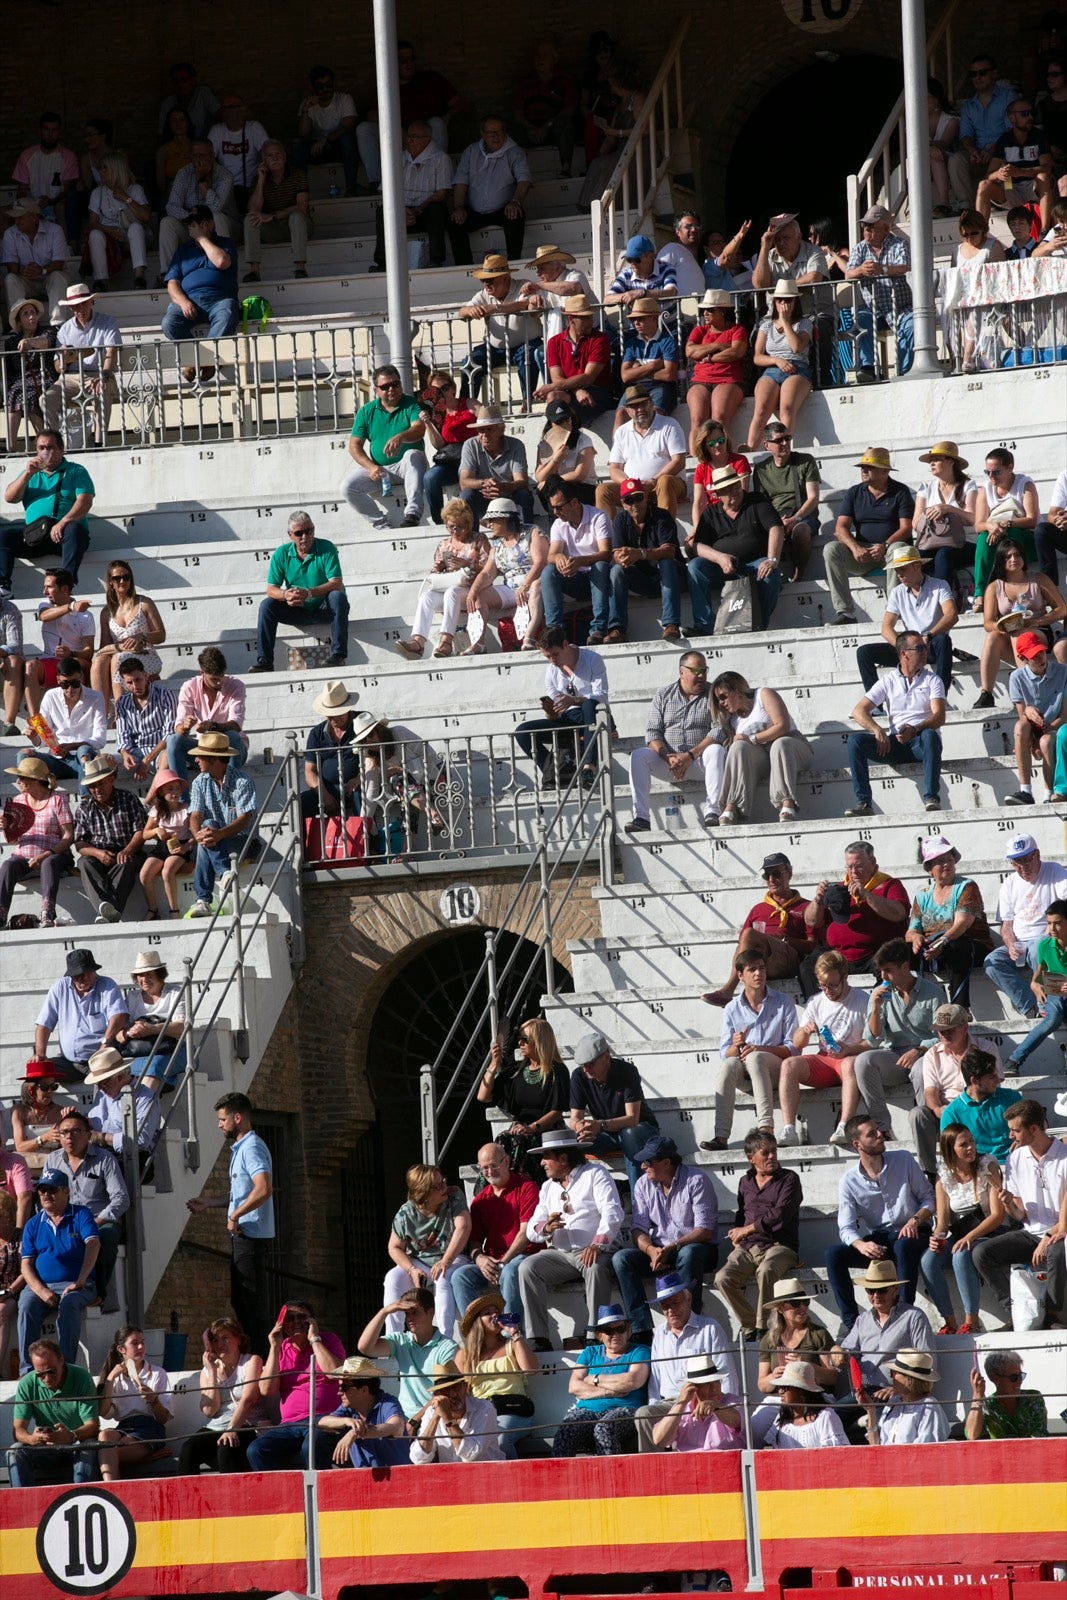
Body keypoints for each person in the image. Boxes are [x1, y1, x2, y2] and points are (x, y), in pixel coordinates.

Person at [518, 1128, 624, 1351]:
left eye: (547, 1157)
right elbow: (532, 1230)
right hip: (561, 1255)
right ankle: (538, 1337)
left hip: (595, 1250)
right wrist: (547, 1227)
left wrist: (597, 1244)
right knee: (527, 1267)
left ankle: (595, 1332)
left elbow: (612, 1212)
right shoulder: (547, 1187)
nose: (542, 1163)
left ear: (563, 1158)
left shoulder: (595, 1174)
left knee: (594, 1266)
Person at [186, 1093, 274, 1356]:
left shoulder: (252, 1147)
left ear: (238, 1118)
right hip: (243, 1237)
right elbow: (242, 1193)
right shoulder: (241, 1148)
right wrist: (210, 1202)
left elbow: (263, 1188)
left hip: (251, 1237)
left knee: (251, 1305)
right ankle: (254, 1357)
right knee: (241, 1302)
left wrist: (235, 1216)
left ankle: (262, 1360)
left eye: (222, 1119)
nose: (219, 1124)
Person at [826, 1117, 934, 1328]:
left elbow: (929, 1198)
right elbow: (846, 1227)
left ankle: (902, 1316)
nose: (879, 1135)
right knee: (833, 1254)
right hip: (881, 1239)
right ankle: (852, 1323)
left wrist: (915, 1219)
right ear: (857, 1144)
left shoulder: (903, 1159)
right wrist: (862, 1245)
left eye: (878, 1130)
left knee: (903, 1244)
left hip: (915, 1231)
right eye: (871, 1134)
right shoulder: (849, 1181)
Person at [971, 1099, 1067, 1326]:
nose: (1010, 1136)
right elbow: (1020, 1215)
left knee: (1056, 1251)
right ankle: (1014, 1311)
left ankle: (1052, 1314)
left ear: (1034, 1129)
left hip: (1061, 1233)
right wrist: (1008, 1204)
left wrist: (1047, 1238)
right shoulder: (1015, 1158)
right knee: (982, 1253)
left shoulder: (1065, 1156)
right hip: (1031, 1232)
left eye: (1015, 1130)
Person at [611, 1135, 717, 1333]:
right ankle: (641, 1329)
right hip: (660, 1251)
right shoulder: (643, 1184)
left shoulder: (696, 1180)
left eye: (648, 1162)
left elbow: (705, 1231)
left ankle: (688, 1321)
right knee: (621, 1259)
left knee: (689, 1254)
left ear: (667, 1162)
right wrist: (651, 1250)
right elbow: (638, 1229)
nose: (642, 1166)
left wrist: (672, 1247)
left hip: (695, 1249)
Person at [845, 631, 946, 816]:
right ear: (904, 653)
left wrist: (915, 729)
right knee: (855, 741)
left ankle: (932, 797)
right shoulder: (888, 681)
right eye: (920, 648)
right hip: (896, 742)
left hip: (920, 743)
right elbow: (858, 711)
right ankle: (864, 803)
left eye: (925, 647)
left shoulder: (933, 679)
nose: (926, 651)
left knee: (930, 735)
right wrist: (876, 730)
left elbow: (940, 717)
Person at [634, 1273, 737, 1452]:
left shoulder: (710, 1328)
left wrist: (725, 1404)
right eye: (665, 1305)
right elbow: (655, 1379)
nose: (671, 1310)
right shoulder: (659, 1333)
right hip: (670, 1403)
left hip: (701, 1398)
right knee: (644, 1414)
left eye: (675, 1302)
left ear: (688, 1299)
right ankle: (655, 1472)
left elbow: (725, 1371)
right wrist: (655, 1404)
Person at [853, 939, 942, 1146]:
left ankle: (929, 1128)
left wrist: (919, 1050)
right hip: (894, 1055)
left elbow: (942, 1034)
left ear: (905, 966)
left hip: (925, 1053)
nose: (883, 976)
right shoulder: (880, 994)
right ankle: (882, 1127)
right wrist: (875, 1007)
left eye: (888, 970)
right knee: (863, 1061)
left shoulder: (933, 992)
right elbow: (873, 1037)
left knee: (922, 1070)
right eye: (881, 970)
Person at [713, 1130, 801, 1339]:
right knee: (722, 1278)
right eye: (765, 1153)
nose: (772, 1156)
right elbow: (742, 1213)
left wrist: (747, 1229)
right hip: (748, 1246)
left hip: (781, 1245)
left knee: (766, 1270)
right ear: (751, 1158)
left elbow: (780, 1215)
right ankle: (750, 1326)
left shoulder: (789, 1179)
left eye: (774, 1151)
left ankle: (765, 1328)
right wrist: (738, 1234)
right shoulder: (745, 1182)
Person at [920, 1123, 1006, 1335]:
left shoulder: (988, 1166)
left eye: (972, 1142)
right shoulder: (944, 1176)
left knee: (960, 1254)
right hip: (961, 1232)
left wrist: (969, 1237)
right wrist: (936, 1237)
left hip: (990, 1231)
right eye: (963, 1144)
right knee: (928, 1260)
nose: (971, 1148)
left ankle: (971, 1320)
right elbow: (942, 1220)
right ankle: (949, 1321)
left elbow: (997, 1215)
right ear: (951, 1150)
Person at [626, 652, 725, 833]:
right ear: (682, 672)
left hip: (699, 761)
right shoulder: (663, 695)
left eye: (704, 670)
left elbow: (718, 730)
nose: (701, 675)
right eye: (696, 670)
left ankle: (713, 811)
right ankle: (641, 817)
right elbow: (652, 732)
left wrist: (689, 756)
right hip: (668, 763)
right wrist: (668, 757)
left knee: (717, 750)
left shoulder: (713, 694)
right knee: (638, 755)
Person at [778, 951, 868, 1148]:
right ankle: (789, 1128)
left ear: (845, 977)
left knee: (851, 1064)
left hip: (850, 1059)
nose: (828, 990)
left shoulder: (862, 1000)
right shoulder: (816, 1001)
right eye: (823, 985)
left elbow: (874, 1041)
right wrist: (805, 1031)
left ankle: (844, 1125)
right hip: (825, 1060)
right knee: (789, 1064)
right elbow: (797, 1043)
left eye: (833, 985)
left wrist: (850, 1049)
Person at [709, 952, 797, 1150]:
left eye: (762, 968)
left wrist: (760, 1049)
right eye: (752, 969)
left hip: (777, 1072)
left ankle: (766, 1128)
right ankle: (721, 1136)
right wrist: (736, 1044)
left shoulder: (784, 1002)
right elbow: (725, 1053)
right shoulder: (732, 1008)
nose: (759, 973)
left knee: (755, 1057)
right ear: (740, 975)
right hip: (746, 1074)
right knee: (729, 1064)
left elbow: (793, 1049)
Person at [703, 854, 816, 1007]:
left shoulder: (806, 907)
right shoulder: (758, 909)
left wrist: (784, 939)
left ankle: (729, 990)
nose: (771, 879)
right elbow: (743, 944)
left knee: (749, 934)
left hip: (789, 960)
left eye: (776, 874)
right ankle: (747, 993)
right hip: (762, 961)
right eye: (766, 875)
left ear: (789, 873)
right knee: (745, 941)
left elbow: (813, 946)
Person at [246, 1302, 346, 1471]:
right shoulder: (282, 1348)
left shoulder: (328, 1340)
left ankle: (317, 1495)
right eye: (290, 1318)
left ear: (312, 1320)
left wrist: (314, 1340)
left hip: (325, 1419)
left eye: (302, 1317)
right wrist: (275, 1346)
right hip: (290, 1424)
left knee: (310, 1447)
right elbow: (266, 1390)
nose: (296, 1321)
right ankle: (280, 1496)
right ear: (282, 1325)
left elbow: (335, 1373)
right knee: (256, 1450)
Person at [687, 467, 785, 637]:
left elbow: (776, 527)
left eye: (735, 486)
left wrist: (772, 559)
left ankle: (758, 624)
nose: (733, 491)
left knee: (770, 574)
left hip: (754, 566)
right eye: (727, 489)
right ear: (717, 494)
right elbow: (697, 546)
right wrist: (719, 558)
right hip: (722, 569)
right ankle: (704, 625)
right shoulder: (710, 513)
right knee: (695, 567)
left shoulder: (756, 501)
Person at [17, 1170, 99, 1368]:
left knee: (70, 1303)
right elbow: (26, 1264)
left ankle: (66, 1366)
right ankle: (28, 1370)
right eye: (42, 1190)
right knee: (26, 1306)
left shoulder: (81, 1214)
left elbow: (93, 1244)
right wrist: (41, 1290)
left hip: (77, 1283)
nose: (46, 1194)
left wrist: (80, 1281)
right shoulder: (33, 1224)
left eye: (52, 1190)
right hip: (42, 1286)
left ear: (66, 1192)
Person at [451, 1144, 542, 1322]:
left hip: (524, 1255)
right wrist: (480, 1258)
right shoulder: (480, 1200)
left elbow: (525, 1234)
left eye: (494, 1165)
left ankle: (511, 1335)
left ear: (506, 1161)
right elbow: (474, 1241)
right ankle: (477, 1337)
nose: (489, 1171)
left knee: (509, 1271)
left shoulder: (527, 1188)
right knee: (460, 1276)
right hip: (494, 1261)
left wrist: (503, 1262)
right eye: (484, 1168)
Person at [913, 1003, 1004, 1178]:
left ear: (964, 1027)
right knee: (918, 1114)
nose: (943, 1034)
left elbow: (994, 1085)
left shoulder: (987, 1048)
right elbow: (930, 1092)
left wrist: (968, 1106)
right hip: (945, 1109)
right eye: (940, 1030)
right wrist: (939, 1110)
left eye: (949, 1029)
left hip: (977, 1103)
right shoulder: (932, 1054)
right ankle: (931, 1173)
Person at [826, 447, 915, 626]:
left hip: (889, 551)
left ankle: (895, 608)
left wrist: (886, 545)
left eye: (869, 467)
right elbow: (840, 527)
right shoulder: (854, 492)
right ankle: (846, 613)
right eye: (862, 467)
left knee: (898, 549)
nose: (864, 471)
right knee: (831, 549)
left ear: (884, 471)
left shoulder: (900, 491)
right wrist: (855, 547)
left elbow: (906, 527)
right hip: (863, 552)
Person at [250, 510, 348, 672]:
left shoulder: (326, 547)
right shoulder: (281, 553)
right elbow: (271, 589)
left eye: (309, 531)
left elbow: (336, 583)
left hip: (325, 608)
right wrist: (285, 595)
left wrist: (308, 593)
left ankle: (338, 654)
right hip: (297, 608)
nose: (305, 536)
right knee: (267, 605)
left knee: (337, 597)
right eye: (299, 533)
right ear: (290, 535)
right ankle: (265, 661)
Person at [382, 1162, 471, 1339]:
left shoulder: (454, 1196)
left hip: (454, 1257)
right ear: (423, 1194)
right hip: (420, 1261)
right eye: (438, 1186)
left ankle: (443, 1340)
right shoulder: (405, 1214)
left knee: (443, 1277)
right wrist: (411, 1269)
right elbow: (394, 1247)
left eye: (443, 1181)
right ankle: (393, 1341)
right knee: (392, 1278)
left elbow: (463, 1227)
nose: (444, 1187)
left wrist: (445, 1261)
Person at [709, 672, 812, 825]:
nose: (721, 703)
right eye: (718, 700)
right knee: (738, 747)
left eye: (723, 696)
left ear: (737, 689)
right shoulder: (732, 719)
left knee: (780, 744)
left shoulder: (763, 695)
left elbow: (782, 726)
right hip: (764, 758)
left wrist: (752, 738)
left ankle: (787, 802)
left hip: (792, 747)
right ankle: (733, 805)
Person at [0, 430, 95, 596]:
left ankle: (65, 584)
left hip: (65, 536)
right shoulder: (30, 474)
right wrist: (27, 475)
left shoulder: (76, 471)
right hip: (36, 536)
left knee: (75, 529)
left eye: (50, 448)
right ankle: (3, 588)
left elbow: (85, 501)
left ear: (61, 449)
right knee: (3, 537)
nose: (45, 452)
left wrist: (63, 522)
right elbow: (9, 497)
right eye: (41, 447)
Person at [984, 834, 1067, 1021]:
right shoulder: (1009, 883)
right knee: (992, 962)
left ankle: (1051, 1004)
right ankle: (1030, 1006)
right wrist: (1011, 943)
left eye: (1026, 860)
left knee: (1043, 947)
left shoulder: (1054, 871)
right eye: (1016, 863)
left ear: (1037, 855)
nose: (1022, 867)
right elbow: (1006, 925)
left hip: (1047, 937)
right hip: (1020, 942)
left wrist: (1049, 930)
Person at [48, 1109, 128, 1304]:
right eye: (65, 1132)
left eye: (76, 1131)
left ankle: (98, 1293)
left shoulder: (104, 1159)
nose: (69, 1137)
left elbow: (121, 1198)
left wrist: (94, 1222)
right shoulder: (53, 1159)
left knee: (107, 1236)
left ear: (88, 1135)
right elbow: (46, 1195)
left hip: (98, 1220)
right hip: (65, 1221)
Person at [395, 498, 490, 662]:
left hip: (472, 589)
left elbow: (490, 569)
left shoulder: (478, 540)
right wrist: (437, 569)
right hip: (448, 588)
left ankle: (446, 641)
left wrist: (469, 564)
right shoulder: (444, 544)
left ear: (468, 524)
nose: (455, 531)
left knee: (451, 593)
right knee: (427, 597)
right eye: (451, 526)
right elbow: (436, 574)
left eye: (459, 526)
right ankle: (418, 642)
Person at [514, 624, 609, 787]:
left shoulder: (592, 659)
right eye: (548, 656)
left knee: (588, 705)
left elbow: (601, 696)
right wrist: (551, 712)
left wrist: (574, 700)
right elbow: (558, 710)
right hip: (569, 720)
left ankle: (588, 768)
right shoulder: (551, 670)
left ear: (566, 645)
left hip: (595, 716)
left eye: (555, 654)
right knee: (523, 732)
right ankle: (553, 772)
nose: (553, 661)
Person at [568, 1031, 659, 1198]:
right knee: (570, 1140)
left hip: (640, 1131)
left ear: (606, 1057)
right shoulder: (579, 1076)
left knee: (629, 1135)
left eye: (590, 1063)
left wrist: (600, 1125)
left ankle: (639, 1202)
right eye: (582, 1065)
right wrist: (579, 1127)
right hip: (607, 1135)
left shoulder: (627, 1071)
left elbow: (633, 1118)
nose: (586, 1069)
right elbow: (574, 1117)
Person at [905, 835, 992, 1009]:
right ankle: (913, 1007)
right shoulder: (922, 894)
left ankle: (959, 1008)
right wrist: (915, 939)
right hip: (934, 948)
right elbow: (911, 930)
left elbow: (963, 923)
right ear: (929, 869)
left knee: (956, 947)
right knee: (900, 953)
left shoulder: (967, 886)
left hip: (970, 945)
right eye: (940, 861)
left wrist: (943, 941)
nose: (947, 864)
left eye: (949, 859)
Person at [975, 543, 1066, 710]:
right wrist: (1001, 626)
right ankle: (986, 693)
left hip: (1038, 631)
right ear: (1001, 561)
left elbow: (1062, 609)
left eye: (1017, 555)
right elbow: (988, 623)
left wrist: (1037, 621)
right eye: (1008, 557)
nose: (1013, 559)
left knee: (1020, 634)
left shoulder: (1038, 579)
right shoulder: (994, 587)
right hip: (1009, 635)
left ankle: (1028, 688)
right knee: (992, 637)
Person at [857, 547, 956, 698]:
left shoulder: (939, 585)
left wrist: (928, 636)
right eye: (897, 570)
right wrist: (903, 646)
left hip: (931, 644)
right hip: (910, 647)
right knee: (864, 652)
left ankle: (940, 697)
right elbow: (886, 628)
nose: (899, 575)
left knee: (943, 640)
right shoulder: (897, 592)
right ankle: (875, 705)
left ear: (917, 566)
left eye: (903, 569)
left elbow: (952, 615)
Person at [475, 1021, 569, 1178]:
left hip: (546, 1130)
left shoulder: (557, 1071)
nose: (520, 1043)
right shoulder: (516, 1071)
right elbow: (483, 1097)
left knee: (520, 1141)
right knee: (501, 1142)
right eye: (519, 1038)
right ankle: (496, 1189)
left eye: (525, 1039)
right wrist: (493, 1064)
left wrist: (532, 1128)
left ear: (539, 1040)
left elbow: (557, 1112)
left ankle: (519, 1187)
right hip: (520, 1129)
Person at [553, 1304, 650, 1456]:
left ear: (629, 1330)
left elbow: (632, 1381)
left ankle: (611, 1477)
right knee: (567, 1428)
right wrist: (608, 1391)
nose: (616, 1334)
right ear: (599, 1335)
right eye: (609, 1330)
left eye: (621, 1328)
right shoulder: (590, 1352)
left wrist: (595, 1379)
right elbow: (574, 1386)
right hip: (587, 1410)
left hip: (626, 1409)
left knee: (604, 1427)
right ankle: (560, 1478)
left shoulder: (639, 1350)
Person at [177, 1316, 269, 1474]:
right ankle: (187, 1498)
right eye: (216, 1340)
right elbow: (209, 1410)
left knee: (226, 1449)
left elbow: (249, 1400)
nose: (220, 1345)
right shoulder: (207, 1371)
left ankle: (231, 1497)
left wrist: (232, 1428)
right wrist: (212, 1372)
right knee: (188, 1449)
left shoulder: (251, 1361)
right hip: (217, 1426)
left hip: (246, 1424)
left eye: (225, 1338)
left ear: (239, 1339)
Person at [340, 364, 426, 528]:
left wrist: (400, 437)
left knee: (413, 454)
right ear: (376, 390)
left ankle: (413, 514)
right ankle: (381, 524)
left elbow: (419, 429)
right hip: (379, 470)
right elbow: (354, 446)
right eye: (385, 386)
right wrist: (371, 467)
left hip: (407, 467)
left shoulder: (411, 404)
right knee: (348, 487)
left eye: (395, 384)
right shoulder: (366, 411)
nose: (392, 389)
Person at [358, 1283, 459, 1423]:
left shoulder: (447, 1347)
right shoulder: (401, 1340)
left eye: (415, 1312)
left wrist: (414, 1422)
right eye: (406, 1313)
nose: (409, 1318)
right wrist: (385, 1311)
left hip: (435, 1416)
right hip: (402, 1418)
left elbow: (442, 1394)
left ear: (430, 1313)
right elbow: (365, 1347)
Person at [8, 1338, 99, 1487]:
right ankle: (23, 1504)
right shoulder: (27, 1383)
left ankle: (82, 1496)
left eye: (51, 1371)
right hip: (47, 1448)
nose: (47, 1378)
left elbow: (93, 1425)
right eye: (40, 1374)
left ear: (62, 1360)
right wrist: (32, 1439)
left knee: (88, 1447)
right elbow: (18, 1430)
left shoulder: (81, 1377)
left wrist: (71, 1435)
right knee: (15, 1451)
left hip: (77, 1444)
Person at [456, 1292, 539, 1456]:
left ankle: (515, 1480)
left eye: (496, 1312)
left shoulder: (512, 1344)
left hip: (513, 1410)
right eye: (487, 1313)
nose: (494, 1315)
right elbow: (461, 1390)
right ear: (477, 1322)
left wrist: (515, 1333)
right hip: (482, 1412)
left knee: (500, 1440)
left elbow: (531, 1369)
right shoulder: (465, 1354)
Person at [456, 255, 542, 407]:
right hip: (495, 348)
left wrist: (495, 308)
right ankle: (465, 408)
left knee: (527, 355)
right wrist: (471, 310)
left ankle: (526, 402)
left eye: (490, 280)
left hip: (525, 343)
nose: (485, 285)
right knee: (469, 363)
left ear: (504, 277)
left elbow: (522, 305)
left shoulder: (524, 286)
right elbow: (461, 312)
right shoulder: (484, 295)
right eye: (483, 280)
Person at [462, 497, 546, 654]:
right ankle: (479, 643)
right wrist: (473, 591)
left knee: (536, 586)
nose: (490, 524)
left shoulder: (532, 532)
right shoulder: (497, 544)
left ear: (505, 519)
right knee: (480, 595)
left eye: (493, 520)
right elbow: (488, 572)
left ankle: (529, 637)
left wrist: (525, 585)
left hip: (533, 582)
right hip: (511, 588)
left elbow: (540, 562)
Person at [187, 731, 257, 917]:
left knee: (208, 832)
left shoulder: (242, 781)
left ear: (214, 759)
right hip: (217, 841)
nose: (196, 760)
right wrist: (198, 835)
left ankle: (203, 900)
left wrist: (215, 835)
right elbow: (194, 816)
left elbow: (244, 820)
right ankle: (225, 873)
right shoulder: (199, 782)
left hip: (244, 841)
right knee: (207, 829)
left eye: (200, 756)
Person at [605, 477, 682, 644]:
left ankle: (671, 624)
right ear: (623, 504)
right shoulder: (620, 520)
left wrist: (640, 554)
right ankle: (616, 628)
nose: (634, 504)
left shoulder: (662, 516)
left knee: (667, 562)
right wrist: (622, 557)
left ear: (646, 497)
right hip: (644, 580)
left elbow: (669, 551)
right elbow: (616, 554)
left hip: (673, 576)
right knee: (616, 570)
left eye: (638, 497)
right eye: (629, 500)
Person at [0, 755, 73, 929]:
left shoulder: (57, 799)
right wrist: (5, 828)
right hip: (24, 855)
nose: (18, 781)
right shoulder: (17, 801)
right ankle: (0, 914)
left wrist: (47, 853)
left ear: (34, 780)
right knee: (8, 865)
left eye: (22, 777)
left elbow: (68, 836)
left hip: (54, 853)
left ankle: (47, 912)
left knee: (48, 862)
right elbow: (14, 840)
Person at [72, 755, 147, 923]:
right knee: (84, 862)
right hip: (98, 854)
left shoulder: (129, 799)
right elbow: (80, 843)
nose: (97, 789)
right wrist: (98, 853)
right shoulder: (84, 807)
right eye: (92, 786)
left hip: (127, 851)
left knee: (125, 862)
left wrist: (127, 850)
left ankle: (107, 913)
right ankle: (107, 909)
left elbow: (140, 831)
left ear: (112, 779)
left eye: (101, 783)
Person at [448, 117, 532, 265]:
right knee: (455, 221)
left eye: (498, 132)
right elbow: (461, 182)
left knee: (516, 215)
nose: (495, 136)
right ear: (482, 134)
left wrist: (515, 202)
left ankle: (514, 263)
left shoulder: (515, 152)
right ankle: (464, 267)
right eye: (490, 132)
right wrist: (459, 207)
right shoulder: (471, 151)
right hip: (475, 211)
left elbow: (524, 181)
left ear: (504, 133)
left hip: (503, 209)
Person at [844, 204, 914, 380]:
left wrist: (881, 269)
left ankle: (904, 372)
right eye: (864, 225)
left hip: (900, 307)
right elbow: (848, 274)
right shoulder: (860, 248)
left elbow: (905, 266)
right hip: (872, 309)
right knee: (859, 320)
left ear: (885, 227)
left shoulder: (899, 244)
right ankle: (868, 367)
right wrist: (861, 270)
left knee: (913, 325)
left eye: (871, 225)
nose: (866, 229)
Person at [539, 478, 612, 644]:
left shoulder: (598, 517)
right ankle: (555, 630)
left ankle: (598, 628)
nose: (556, 512)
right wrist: (560, 558)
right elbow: (551, 555)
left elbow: (606, 554)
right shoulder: (558, 524)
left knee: (599, 566)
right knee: (549, 571)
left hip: (600, 577)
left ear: (574, 503)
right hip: (577, 577)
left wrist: (579, 561)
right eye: (553, 508)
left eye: (559, 507)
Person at [34, 946, 127, 1077]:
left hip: (101, 1059)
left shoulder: (107, 985)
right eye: (78, 975)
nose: (83, 978)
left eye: (87, 972)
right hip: (68, 1062)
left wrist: (106, 1043)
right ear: (71, 976)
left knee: (109, 1078)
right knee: (36, 1073)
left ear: (94, 971)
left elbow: (118, 1016)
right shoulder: (59, 987)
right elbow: (44, 1024)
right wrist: (40, 1053)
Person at [370, 121, 450, 273]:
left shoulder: (441, 158)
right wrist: (402, 211)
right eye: (408, 136)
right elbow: (385, 190)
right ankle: (382, 263)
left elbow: (441, 193)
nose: (409, 140)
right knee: (382, 212)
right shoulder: (397, 157)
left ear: (427, 139)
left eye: (414, 136)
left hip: (426, 209)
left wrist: (417, 210)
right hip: (403, 209)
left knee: (437, 209)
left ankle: (436, 260)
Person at [91, 560, 167, 721]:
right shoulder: (106, 612)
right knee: (99, 662)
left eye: (126, 577)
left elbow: (161, 635)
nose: (122, 581)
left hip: (146, 654)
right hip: (120, 654)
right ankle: (101, 717)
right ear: (110, 582)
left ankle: (122, 715)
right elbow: (105, 647)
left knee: (118, 659)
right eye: (117, 578)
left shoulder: (144, 604)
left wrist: (143, 636)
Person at [598, 385, 688, 520]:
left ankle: (665, 534)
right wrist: (631, 484)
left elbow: (679, 461)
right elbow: (614, 468)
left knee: (665, 481)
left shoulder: (669, 424)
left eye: (643, 404)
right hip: (634, 489)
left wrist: (653, 481)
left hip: (665, 484)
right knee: (603, 490)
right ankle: (607, 539)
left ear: (651, 403)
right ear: (627, 411)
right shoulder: (622, 432)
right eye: (634, 407)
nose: (640, 409)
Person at [96, 1324, 172, 1480]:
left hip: (150, 1428)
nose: (141, 1346)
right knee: (104, 1435)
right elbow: (104, 1412)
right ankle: (139, 1462)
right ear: (121, 1349)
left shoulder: (158, 1373)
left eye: (143, 1342)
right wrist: (111, 1378)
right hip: (125, 1427)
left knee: (108, 1452)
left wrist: (154, 1400)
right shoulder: (116, 1379)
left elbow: (163, 1419)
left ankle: (112, 1489)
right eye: (135, 1343)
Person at [745, 280, 813, 451]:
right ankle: (749, 450)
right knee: (761, 410)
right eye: (779, 300)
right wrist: (776, 360)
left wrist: (785, 321)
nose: (783, 303)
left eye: (788, 300)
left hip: (797, 368)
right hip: (772, 369)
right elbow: (758, 357)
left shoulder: (804, 323)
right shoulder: (766, 325)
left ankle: (784, 449)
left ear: (795, 302)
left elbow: (797, 347)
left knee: (787, 408)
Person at [309, 1356, 409, 1470]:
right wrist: (347, 1421)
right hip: (366, 1481)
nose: (339, 1392)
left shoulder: (387, 1402)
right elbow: (322, 1422)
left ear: (364, 1390)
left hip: (399, 1478)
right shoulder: (349, 1408)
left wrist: (355, 1433)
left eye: (344, 1387)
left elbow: (396, 1428)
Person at [161, 205, 239, 349]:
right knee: (169, 323)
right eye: (191, 224)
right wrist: (184, 302)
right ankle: (203, 358)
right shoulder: (183, 250)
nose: (193, 227)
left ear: (210, 224)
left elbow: (222, 262)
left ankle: (203, 361)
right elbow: (172, 283)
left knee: (227, 316)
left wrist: (202, 238)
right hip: (190, 301)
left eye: (198, 223)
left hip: (220, 300)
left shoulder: (225, 243)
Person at [971, 448, 1042, 606]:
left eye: (996, 472)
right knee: (983, 538)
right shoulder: (986, 489)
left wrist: (1006, 525)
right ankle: (980, 593)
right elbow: (978, 525)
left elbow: (1032, 520)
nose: (991, 477)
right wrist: (992, 527)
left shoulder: (1025, 484)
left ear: (1010, 467)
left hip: (1025, 539)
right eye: (987, 472)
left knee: (1007, 535)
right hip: (998, 538)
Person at [166, 644, 248, 781]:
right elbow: (179, 728)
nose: (219, 682)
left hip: (231, 750)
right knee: (173, 740)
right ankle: (182, 801)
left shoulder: (236, 685)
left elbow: (236, 725)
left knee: (232, 736)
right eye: (214, 679)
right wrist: (186, 726)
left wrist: (214, 726)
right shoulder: (189, 687)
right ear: (202, 672)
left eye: (221, 676)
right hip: (203, 749)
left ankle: (233, 792)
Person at [683, 290, 748, 457]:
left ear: (723, 311)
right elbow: (690, 351)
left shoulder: (737, 329)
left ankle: (720, 457)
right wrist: (717, 346)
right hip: (700, 380)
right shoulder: (700, 331)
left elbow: (736, 352)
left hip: (728, 379)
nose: (705, 313)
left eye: (710, 310)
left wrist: (709, 358)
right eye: (704, 310)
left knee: (719, 418)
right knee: (697, 419)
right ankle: (696, 459)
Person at [947, 55, 1016, 211]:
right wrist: (972, 150)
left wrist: (993, 149)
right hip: (980, 155)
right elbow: (965, 135)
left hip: (1003, 152)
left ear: (994, 73)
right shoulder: (968, 106)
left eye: (982, 72)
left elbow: (1011, 129)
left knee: (1009, 158)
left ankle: (1008, 200)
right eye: (973, 74)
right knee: (956, 159)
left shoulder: (1008, 96)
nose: (977, 77)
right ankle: (965, 206)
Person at [114, 948, 188, 1092]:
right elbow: (118, 1036)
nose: (144, 979)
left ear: (160, 975)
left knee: (154, 1067)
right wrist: (130, 1032)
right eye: (140, 975)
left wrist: (151, 1029)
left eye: (149, 974)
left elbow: (182, 1027)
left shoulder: (175, 993)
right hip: (140, 1052)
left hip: (173, 1050)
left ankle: (141, 1110)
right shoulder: (132, 998)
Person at [1006, 899, 1067, 1075]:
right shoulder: (1045, 945)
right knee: (1052, 1018)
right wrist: (1035, 985)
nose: (1052, 929)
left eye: (1058, 923)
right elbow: (1038, 975)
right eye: (1049, 924)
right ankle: (1014, 1060)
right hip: (1055, 993)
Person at [751, 423, 818, 582]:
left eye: (787, 438)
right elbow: (762, 504)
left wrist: (795, 519)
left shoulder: (805, 460)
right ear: (767, 445)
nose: (785, 443)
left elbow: (813, 498)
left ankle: (798, 574)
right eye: (779, 440)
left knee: (801, 532)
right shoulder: (761, 469)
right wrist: (776, 522)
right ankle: (768, 576)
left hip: (802, 515)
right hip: (775, 516)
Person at [158, 143, 238, 275]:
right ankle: (167, 273)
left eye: (202, 155)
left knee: (217, 217)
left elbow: (215, 208)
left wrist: (201, 180)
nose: (198, 160)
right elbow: (171, 205)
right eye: (194, 156)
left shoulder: (224, 175)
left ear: (212, 156)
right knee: (167, 222)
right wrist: (190, 217)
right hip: (193, 225)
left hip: (225, 225)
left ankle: (224, 267)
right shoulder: (184, 173)